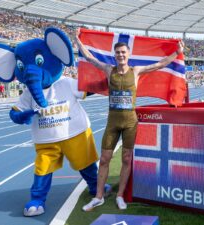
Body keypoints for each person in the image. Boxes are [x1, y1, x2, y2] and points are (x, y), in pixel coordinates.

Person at [75, 29, 184, 211]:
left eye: (123, 52)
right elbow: (90, 58)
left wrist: (177, 52)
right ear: (115, 55)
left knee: (127, 158)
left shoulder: (136, 71)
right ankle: (98, 197)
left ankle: (119, 196)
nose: (120, 55)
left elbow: (159, 64)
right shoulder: (109, 69)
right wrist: (78, 40)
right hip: (113, 122)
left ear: (128, 54)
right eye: (118, 53)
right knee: (104, 159)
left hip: (130, 122)